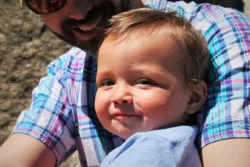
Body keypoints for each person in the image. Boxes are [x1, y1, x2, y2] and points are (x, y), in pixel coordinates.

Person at [0, 0, 250, 167]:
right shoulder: (68, 70)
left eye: (144, 81)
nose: (77, 11)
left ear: (194, 95)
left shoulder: (216, 31)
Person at [96, 8, 208, 166]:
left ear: (193, 97)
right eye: (108, 83)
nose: (119, 96)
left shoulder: (155, 148)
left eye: (144, 81)